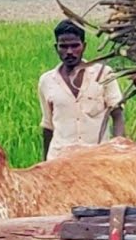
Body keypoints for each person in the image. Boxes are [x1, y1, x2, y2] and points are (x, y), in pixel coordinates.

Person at [38, 20, 125, 160]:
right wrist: (44, 165)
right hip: (59, 160)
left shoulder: (103, 74)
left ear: (83, 46)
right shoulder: (47, 81)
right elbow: (48, 126)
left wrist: (119, 150)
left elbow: (117, 114)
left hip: (97, 159)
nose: (69, 52)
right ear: (56, 48)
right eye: (64, 47)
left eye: (75, 46)